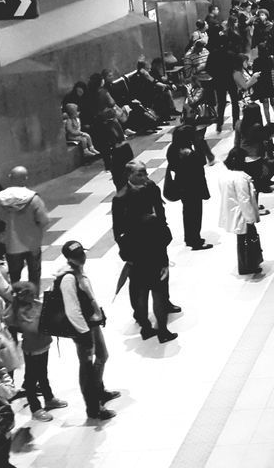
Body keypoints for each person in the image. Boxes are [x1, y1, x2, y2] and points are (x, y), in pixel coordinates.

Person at [111, 161, 177, 343]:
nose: (145, 177)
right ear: (129, 175)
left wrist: (164, 233)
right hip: (138, 250)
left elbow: (160, 212)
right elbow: (118, 231)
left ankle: (154, 321)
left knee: (158, 288)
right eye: (140, 174)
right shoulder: (121, 198)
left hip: (155, 244)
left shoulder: (151, 188)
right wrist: (126, 254)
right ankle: (150, 326)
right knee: (145, 290)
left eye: (145, 173)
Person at [55, 241, 118, 420]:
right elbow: (72, 310)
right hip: (83, 329)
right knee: (87, 367)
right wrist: (83, 335)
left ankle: (99, 391)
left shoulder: (78, 271)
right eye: (78, 255)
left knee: (102, 356)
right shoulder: (68, 278)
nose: (82, 257)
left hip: (92, 323)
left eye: (82, 253)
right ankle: (93, 407)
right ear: (69, 258)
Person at [6, 280, 65, 421]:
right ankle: (35, 408)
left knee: (43, 374)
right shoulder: (20, 311)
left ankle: (49, 398)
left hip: (44, 345)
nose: (34, 295)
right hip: (32, 349)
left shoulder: (35, 304)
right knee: (31, 380)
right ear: (22, 296)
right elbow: (32, 328)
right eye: (30, 294)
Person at [0, 167, 49, 287]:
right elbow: (44, 220)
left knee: (14, 276)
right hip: (32, 244)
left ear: (10, 177)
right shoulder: (34, 198)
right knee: (34, 275)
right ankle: (34, 299)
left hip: (10, 245)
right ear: (25, 178)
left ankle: (16, 300)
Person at [165, 125, 214, 251]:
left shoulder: (172, 148)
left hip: (182, 184)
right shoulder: (188, 153)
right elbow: (201, 162)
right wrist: (198, 146)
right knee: (195, 213)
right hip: (192, 186)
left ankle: (190, 238)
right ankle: (195, 240)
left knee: (188, 213)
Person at [219, 148, 264, 276]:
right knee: (247, 240)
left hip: (232, 212)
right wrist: (250, 219)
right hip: (242, 214)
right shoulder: (240, 178)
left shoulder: (225, 175)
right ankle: (248, 265)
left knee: (242, 240)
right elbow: (244, 199)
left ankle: (246, 265)